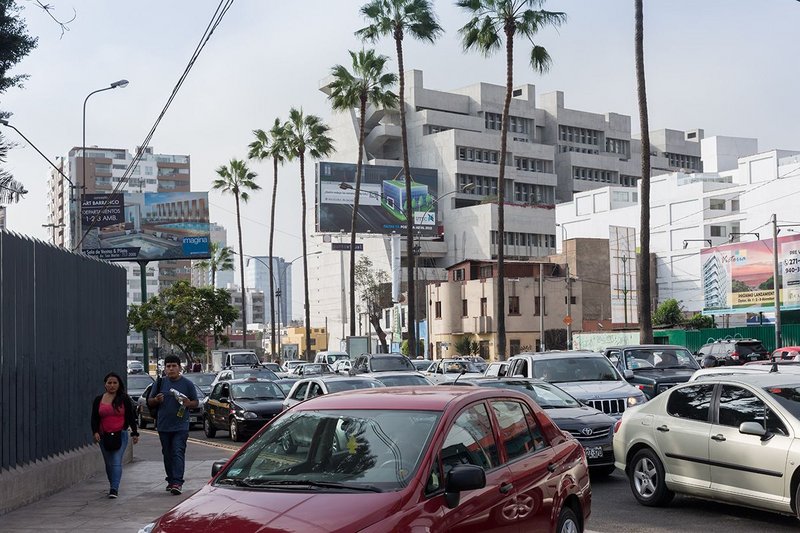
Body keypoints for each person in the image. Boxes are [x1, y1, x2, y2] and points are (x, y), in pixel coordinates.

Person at [147, 355, 198, 495]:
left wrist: (188, 403)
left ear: (179, 368)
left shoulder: (187, 384)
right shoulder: (160, 383)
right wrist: (156, 400)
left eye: (174, 366)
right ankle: (170, 480)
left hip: (181, 426)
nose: (171, 369)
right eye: (168, 366)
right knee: (167, 454)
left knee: (177, 451)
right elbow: (149, 401)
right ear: (165, 369)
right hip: (163, 426)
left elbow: (195, 402)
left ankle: (177, 482)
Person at [91, 372, 139, 499]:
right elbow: (94, 418)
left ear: (119, 384)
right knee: (108, 463)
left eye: (115, 383)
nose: (112, 385)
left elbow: (130, 417)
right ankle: (112, 483)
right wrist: (95, 432)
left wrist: (134, 433)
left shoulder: (124, 399)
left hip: (120, 434)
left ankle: (114, 489)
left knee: (116, 461)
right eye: (109, 383)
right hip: (103, 436)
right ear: (105, 384)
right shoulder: (98, 400)